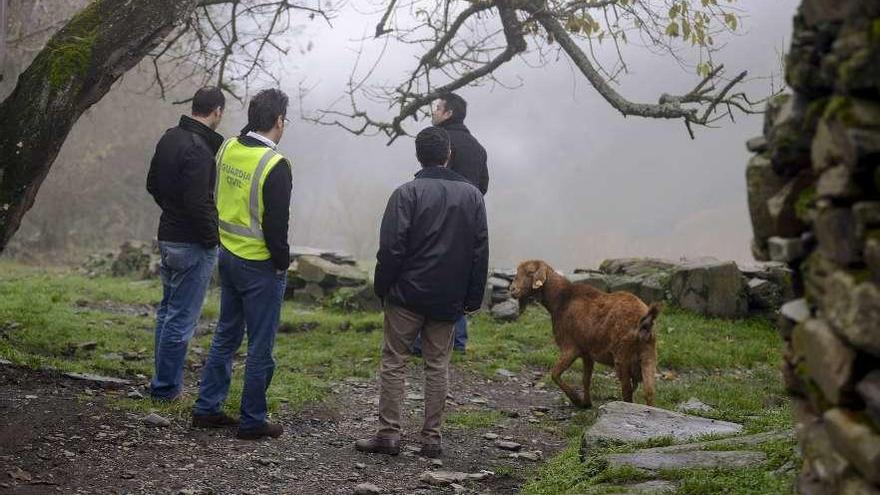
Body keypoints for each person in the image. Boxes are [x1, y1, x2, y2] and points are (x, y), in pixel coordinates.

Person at [355, 126, 489, 458]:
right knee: (437, 365)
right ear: (449, 155)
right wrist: (472, 298)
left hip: (406, 295)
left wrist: (382, 286)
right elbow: (479, 251)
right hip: (448, 298)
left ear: (419, 155)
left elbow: (391, 249)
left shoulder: (406, 193)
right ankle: (431, 439)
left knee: (394, 361)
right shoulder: (473, 196)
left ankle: (388, 435)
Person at [192, 89, 293, 440]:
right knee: (260, 346)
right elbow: (277, 227)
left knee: (225, 335)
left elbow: (215, 194)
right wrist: (283, 264)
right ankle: (252, 420)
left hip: (228, 256)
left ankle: (207, 408)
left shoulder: (227, 147)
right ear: (279, 121)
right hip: (260, 266)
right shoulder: (275, 165)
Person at [146, 87, 225, 402]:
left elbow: (152, 184)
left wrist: (171, 210)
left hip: (167, 236)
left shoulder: (169, 137)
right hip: (192, 244)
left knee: (167, 314)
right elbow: (198, 204)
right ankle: (166, 390)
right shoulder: (200, 149)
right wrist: (212, 241)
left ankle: (162, 383)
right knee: (180, 319)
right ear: (217, 111)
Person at [413, 93, 488, 355]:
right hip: (468, 222)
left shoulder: (441, 143)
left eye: (437, 107)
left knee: (428, 274)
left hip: (436, 220)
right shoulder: (478, 148)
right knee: (459, 276)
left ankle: (421, 341)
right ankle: (457, 340)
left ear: (448, 113)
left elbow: (431, 179)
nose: (433, 111)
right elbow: (484, 186)